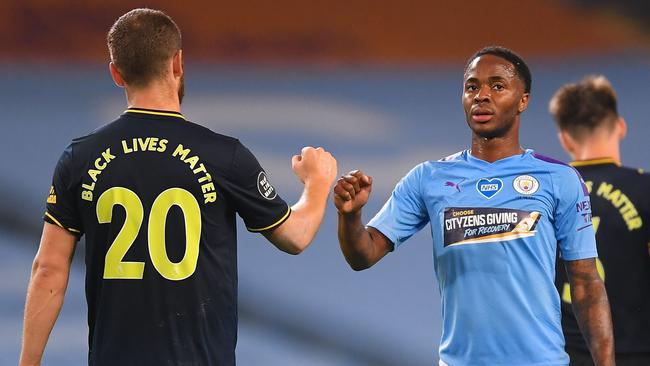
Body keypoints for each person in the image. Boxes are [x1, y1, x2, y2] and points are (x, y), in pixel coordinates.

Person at [19, 8, 337, 366]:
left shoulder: (79, 157)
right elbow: (296, 235)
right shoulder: (225, 156)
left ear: (116, 73)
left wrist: (28, 362)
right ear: (177, 63)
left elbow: (48, 269)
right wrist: (318, 183)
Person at [333, 46, 615, 365]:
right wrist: (350, 215)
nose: (482, 95)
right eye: (472, 86)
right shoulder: (428, 178)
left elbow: (586, 284)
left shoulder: (558, 179)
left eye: (497, 85)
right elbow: (363, 255)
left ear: (523, 100)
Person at [550, 75, 650, 366]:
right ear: (620, 127)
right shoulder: (644, 190)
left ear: (565, 138)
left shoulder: (543, 196)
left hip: (561, 358)